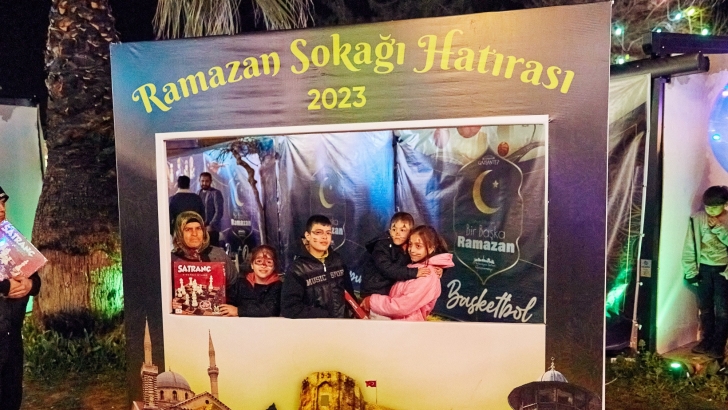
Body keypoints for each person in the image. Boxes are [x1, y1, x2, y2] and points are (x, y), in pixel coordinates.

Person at [0, 185, 41, 410]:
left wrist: (29, 284)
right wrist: (5, 286)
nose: (1, 209)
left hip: (12, 337)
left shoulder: (11, 241)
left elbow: (36, 280)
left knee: (11, 396)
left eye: (2, 203)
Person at [361, 225, 453, 321]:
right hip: (398, 325)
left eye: (418, 246)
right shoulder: (412, 265)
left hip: (406, 327)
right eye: (410, 244)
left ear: (431, 248)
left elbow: (401, 307)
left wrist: (372, 301)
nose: (412, 250)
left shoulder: (427, 275)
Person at [683, 186, 728, 359]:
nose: (711, 210)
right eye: (708, 206)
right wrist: (691, 271)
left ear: (724, 204)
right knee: (705, 308)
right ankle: (706, 340)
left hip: (723, 271)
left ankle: (718, 345)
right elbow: (690, 246)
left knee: (722, 310)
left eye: (715, 207)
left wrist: (719, 229)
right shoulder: (697, 219)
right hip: (704, 269)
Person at [281, 215, 355, 319]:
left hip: (342, 324)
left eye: (328, 233)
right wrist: (323, 315)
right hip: (315, 326)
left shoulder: (338, 260)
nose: (325, 237)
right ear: (308, 236)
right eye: (319, 232)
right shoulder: (297, 269)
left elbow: (350, 295)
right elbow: (290, 308)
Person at [360, 212, 440, 299]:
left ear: (410, 233)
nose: (397, 233)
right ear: (390, 230)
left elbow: (431, 255)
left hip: (390, 291)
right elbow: (388, 269)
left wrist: (439, 267)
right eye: (394, 229)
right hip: (373, 291)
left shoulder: (407, 246)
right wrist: (414, 272)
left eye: (402, 230)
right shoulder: (381, 246)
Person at [171, 211, 238, 288]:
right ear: (179, 233)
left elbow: (235, 287)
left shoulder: (218, 255)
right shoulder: (172, 260)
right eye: (188, 229)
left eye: (198, 228)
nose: (194, 234)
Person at [220, 245, 282, 317]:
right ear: (252, 265)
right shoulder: (240, 284)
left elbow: (270, 309)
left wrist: (238, 311)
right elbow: (228, 302)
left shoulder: (278, 287)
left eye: (269, 262)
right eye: (259, 261)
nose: (263, 265)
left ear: (274, 267)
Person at [198, 172, 224, 247]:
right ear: (199, 181)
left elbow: (219, 212)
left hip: (212, 230)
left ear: (211, 181)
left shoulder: (216, 193)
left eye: (207, 181)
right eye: (202, 181)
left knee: (213, 251)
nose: (204, 183)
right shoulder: (198, 193)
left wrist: (211, 226)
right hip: (201, 229)